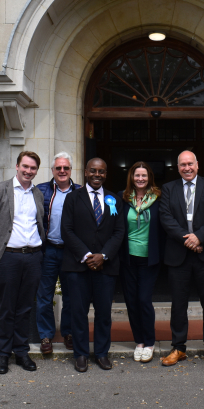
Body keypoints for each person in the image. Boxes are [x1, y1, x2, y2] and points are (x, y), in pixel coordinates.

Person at [0, 151, 46, 375]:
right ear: (17, 166)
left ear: (37, 171)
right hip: (8, 257)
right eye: (25, 167)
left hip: (34, 256)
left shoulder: (37, 193)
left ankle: (22, 352)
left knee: (26, 307)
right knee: (8, 307)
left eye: (33, 168)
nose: (28, 171)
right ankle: (3, 354)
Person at [159, 150, 204, 367]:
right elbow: (166, 218)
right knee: (178, 305)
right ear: (177, 167)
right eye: (182, 165)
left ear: (197, 165)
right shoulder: (168, 189)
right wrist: (188, 240)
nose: (187, 168)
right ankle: (178, 348)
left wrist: (199, 237)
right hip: (179, 256)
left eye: (190, 164)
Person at [61, 158, 126, 373]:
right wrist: (87, 255)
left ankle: (101, 353)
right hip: (78, 266)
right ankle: (80, 354)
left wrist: (104, 255)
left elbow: (119, 231)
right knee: (78, 313)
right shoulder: (72, 198)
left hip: (105, 267)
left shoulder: (113, 199)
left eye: (101, 172)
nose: (97, 175)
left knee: (103, 313)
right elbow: (66, 230)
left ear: (106, 174)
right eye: (93, 171)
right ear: (86, 172)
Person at [118, 162, 165, 363]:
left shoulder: (158, 198)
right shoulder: (122, 198)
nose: (140, 179)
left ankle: (150, 342)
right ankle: (138, 341)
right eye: (137, 175)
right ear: (131, 177)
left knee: (144, 299)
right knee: (131, 300)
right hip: (127, 258)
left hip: (149, 258)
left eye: (144, 176)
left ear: (149, 178)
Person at [35, 152, 82, 355]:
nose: (62, 171)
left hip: (71, 253)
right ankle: (45, 335)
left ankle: (68, 333)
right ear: (52, 170)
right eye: (58, 168)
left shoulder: (80, 192)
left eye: (66, 168)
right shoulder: (41, 190)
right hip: (49, 251)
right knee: (45, 296)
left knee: (71, 296)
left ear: (71, 170)